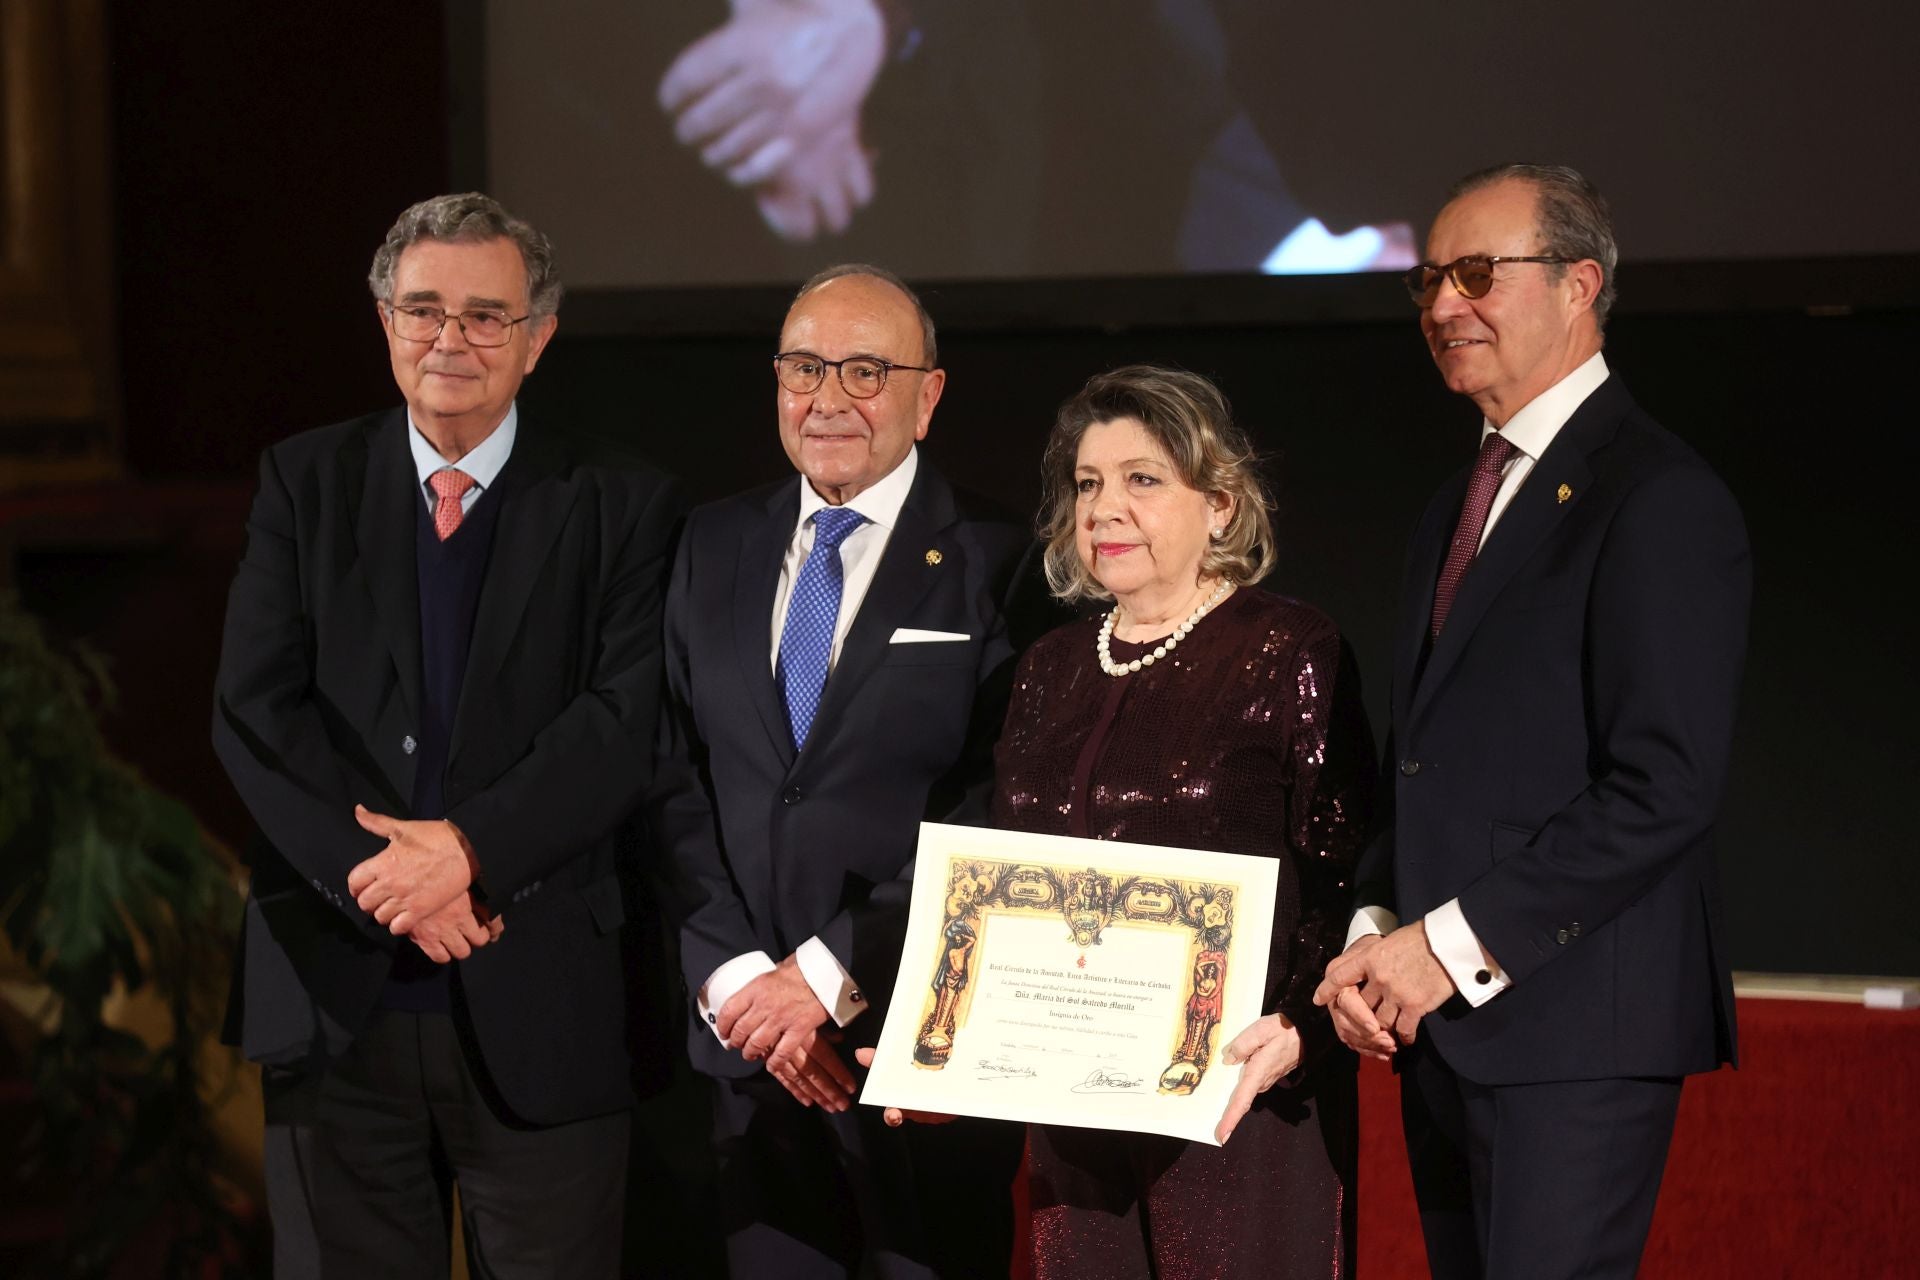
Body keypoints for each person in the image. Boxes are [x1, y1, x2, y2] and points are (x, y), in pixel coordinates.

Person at [211, 192, 683, 1278]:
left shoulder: (623, 501)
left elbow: (622, 723)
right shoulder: (303, 479)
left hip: (547, 997)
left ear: (539, 338)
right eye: (423, 309)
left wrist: (467, 852)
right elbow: (253, 710)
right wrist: (383, 873)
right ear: (384, 322)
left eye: (486, 315)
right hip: (336, 997)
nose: (450, 339)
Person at [1313, 163, 1751, 1279]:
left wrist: (1445, 948)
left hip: (1575, 1034)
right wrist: (1374, 928)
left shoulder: (1658, 496)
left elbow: (1666, 787)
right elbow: (1423, 759)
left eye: (1476, 273)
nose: (1442, 305)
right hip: (1447, 1029)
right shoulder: (1456, 501)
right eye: (1428, 280)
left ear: (1579, 284)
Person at [649, 263, 1037, 1277]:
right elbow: (671, 775)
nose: (827, 398)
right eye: (804, 367)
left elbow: (999, 804)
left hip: (913, 1048)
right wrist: (742, 983)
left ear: (930, 392)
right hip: (744, 1059)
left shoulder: (1005, 560)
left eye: (866, 370)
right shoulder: (710, 543)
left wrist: (827, 973)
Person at [986, 364, 1375, 1278]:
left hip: (1240, 1097)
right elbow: (1002, 876)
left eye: (1143, 479)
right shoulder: (1047, 668)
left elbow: (1342, 865)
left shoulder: (1289, 647)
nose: (1104, 508)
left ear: (1222, 508)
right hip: (1071, 1104)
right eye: (1087, 485)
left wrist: (1298, 1028)